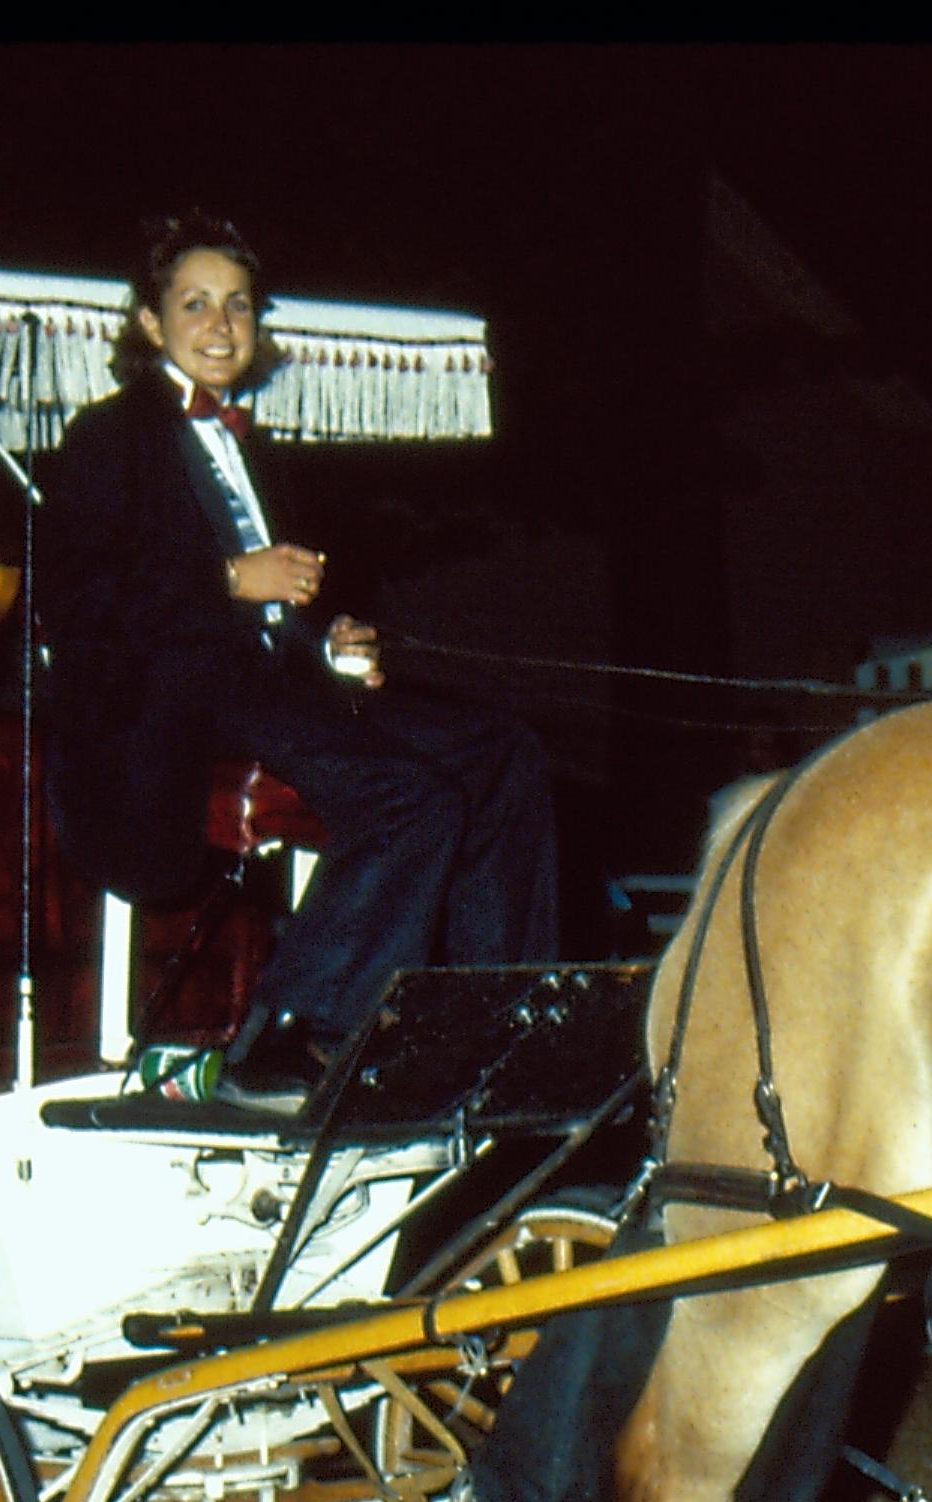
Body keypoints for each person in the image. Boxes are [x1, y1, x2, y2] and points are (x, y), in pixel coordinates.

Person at [36, 210, 560, 1103]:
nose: (220, 325)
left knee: (503, 750)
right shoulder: (106, 437)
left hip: (278, 686)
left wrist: (332, 645)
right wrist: (230, 579)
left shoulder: (257, 452)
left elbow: (277, 612)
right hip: (176, 704)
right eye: (195, 304)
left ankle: (491, 1021)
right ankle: (288, 1032)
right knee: (412, 799)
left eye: (238, 305)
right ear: (150, 323)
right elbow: (79, 604)